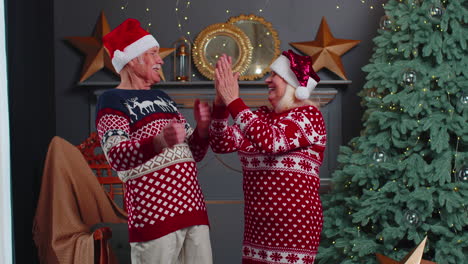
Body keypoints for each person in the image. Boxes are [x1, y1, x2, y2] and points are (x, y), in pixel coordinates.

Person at [96, 18, 213, 264]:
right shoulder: (112, 99)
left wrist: (202, 130)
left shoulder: (163, 97)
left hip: (193, 211)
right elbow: (117, 157)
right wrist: (160, 141)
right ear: (132, 59)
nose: (161, 60)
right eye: (152, 53)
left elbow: (195, 153)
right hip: (154, 216)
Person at [210, 50, 327, 264]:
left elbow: (272, 142)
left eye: (274, 74)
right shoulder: (261, 116)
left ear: (293, 84)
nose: (267, 80)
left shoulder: (309, 116)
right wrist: (220, 105)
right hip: (258, 230)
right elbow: (221, 142)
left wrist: (233, 100)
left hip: (294, 232)